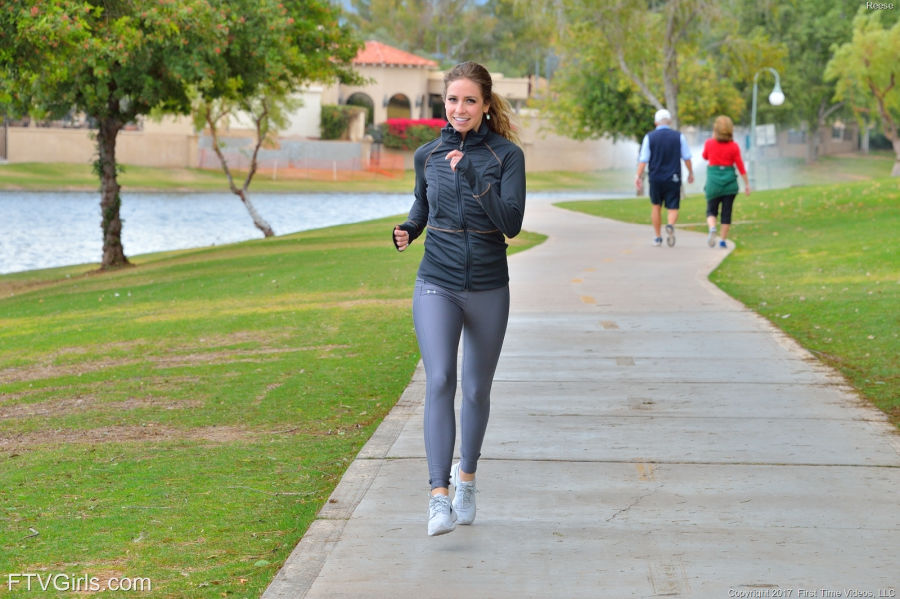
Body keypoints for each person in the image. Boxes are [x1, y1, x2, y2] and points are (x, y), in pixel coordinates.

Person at [392, 61, 526, 537]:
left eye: (470, 100)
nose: (460, 108)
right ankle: (437, 496)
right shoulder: (427, 154)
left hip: (489, 284)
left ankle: (465, 478)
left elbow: (511, 222)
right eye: (452, 100)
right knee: (441, 380)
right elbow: (422, 203)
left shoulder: (507, 156)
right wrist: (410, 228)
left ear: (486, 104)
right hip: (437, 281)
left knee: (474, 389)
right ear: (443, 103)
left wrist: (473, 176)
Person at [635, 108, 694, 247]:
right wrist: (690, 173)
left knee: (656, 206)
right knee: (673, 206)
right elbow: (686, 157)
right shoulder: (678, 136)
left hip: (655, 177)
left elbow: (643, 160)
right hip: (673, 177)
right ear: (670, 122)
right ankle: (670, 225)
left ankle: (657, 237)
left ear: (656, 122)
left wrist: (638, 176)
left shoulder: (649, 137)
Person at [702, 115, 750, 248]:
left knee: (711, 210)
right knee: (726, 212)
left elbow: (705, 156)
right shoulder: (734, 146)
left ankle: (712, 228)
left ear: (715, 129)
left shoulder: (709, 143)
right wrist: (747, 184)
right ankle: (722, 240)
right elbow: (740, 166)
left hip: (713, 184)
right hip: (730, 185)